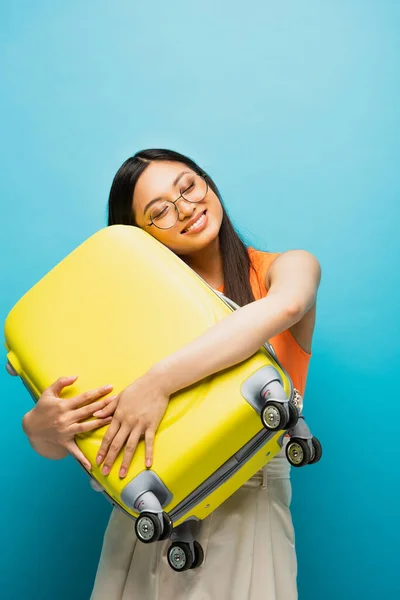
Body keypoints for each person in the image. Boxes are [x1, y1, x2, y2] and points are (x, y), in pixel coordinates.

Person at [22, 149, 321, 600]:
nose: (185, 208)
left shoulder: (285, 267)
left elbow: (287, 306)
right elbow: (83, 439)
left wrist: (156, 382)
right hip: (148, 518)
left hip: (248, 506)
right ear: (137, 237)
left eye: (188, 186)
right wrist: (39, 427)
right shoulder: (123, 313)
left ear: (207, 181)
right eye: (159, 211)